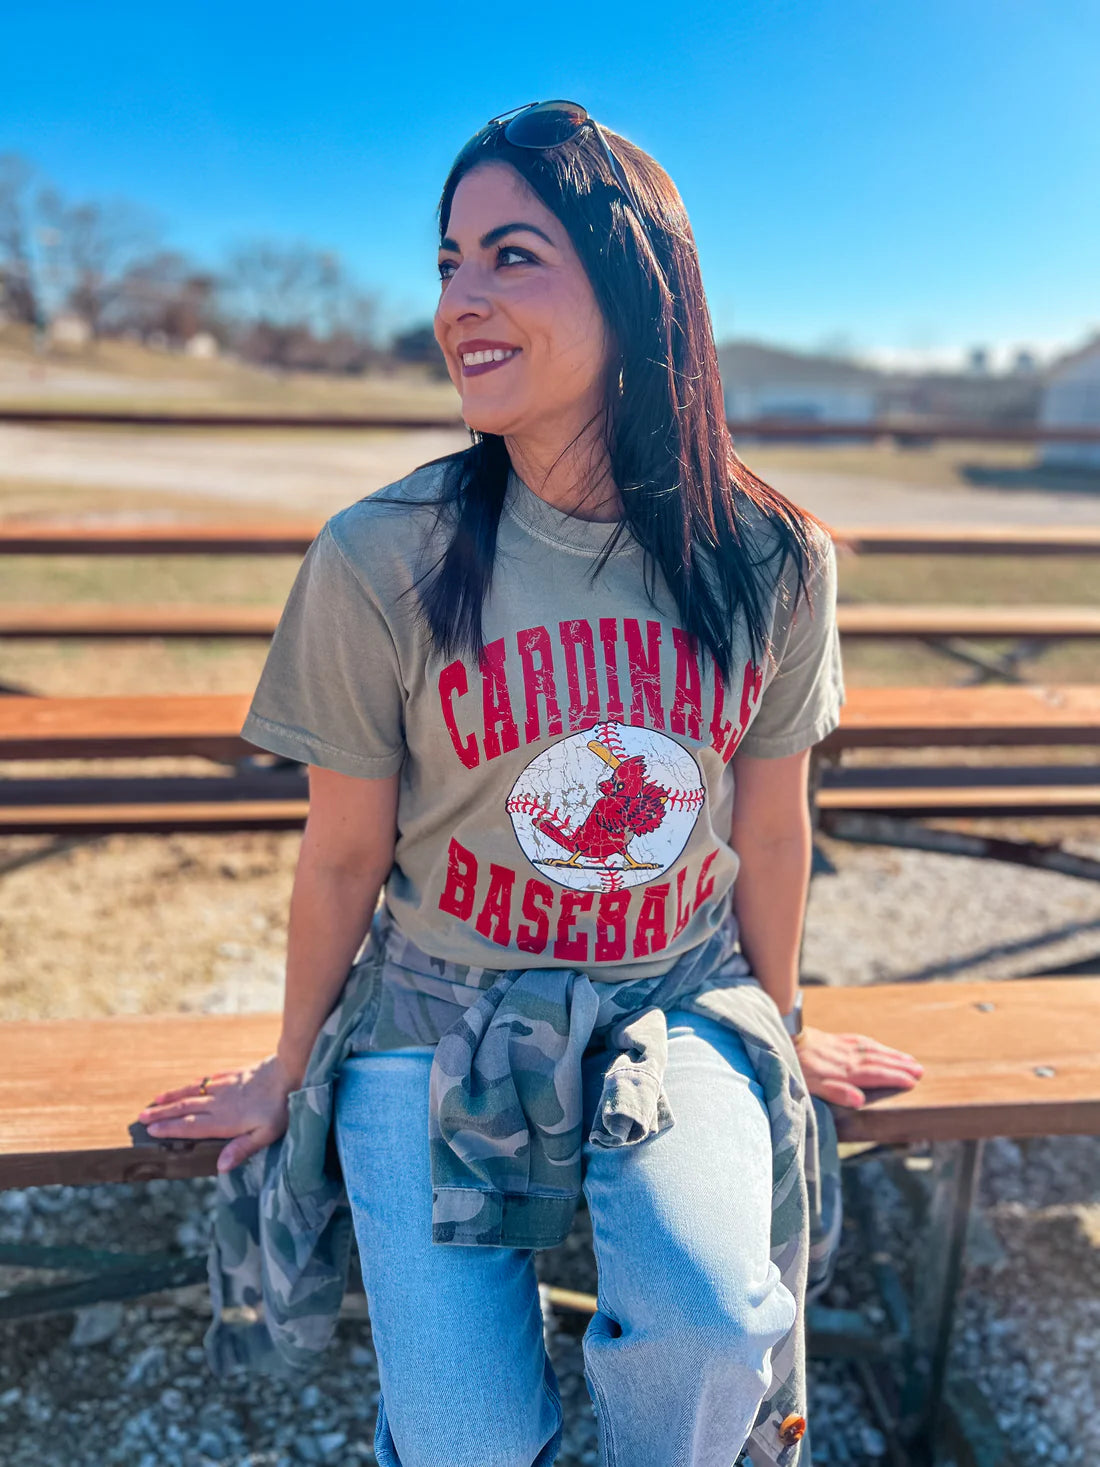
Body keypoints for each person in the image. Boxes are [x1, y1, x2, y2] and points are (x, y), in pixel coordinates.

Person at [139, 101, 923, 1467]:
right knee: (466, 1445)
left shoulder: (775, 560)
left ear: (637, 288)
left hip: (674, 1000)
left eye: (512, 256)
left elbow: (772, 824)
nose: (461, 302)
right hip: (431, 1016)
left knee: (718, 1323)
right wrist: (284, 1069)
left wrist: (782, 1025)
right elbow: (338, 859)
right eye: (448, 263)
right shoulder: (381, 555)